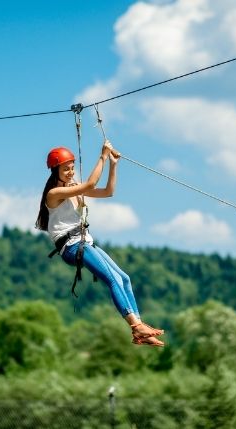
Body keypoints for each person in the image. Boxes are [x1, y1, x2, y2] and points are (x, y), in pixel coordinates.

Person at [36, 141, 165, 347]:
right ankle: (135, 326)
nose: (70, 172)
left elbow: (107, 192)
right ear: (55, 171)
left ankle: (140, 328)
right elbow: (90, 185)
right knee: (112, 279)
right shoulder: (54, 194)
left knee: (124, 278)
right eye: (65, 169)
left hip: (84, 241)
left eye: (71, 168)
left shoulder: (72, 189)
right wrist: (103, 156)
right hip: (71, 245)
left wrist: (113, 164)